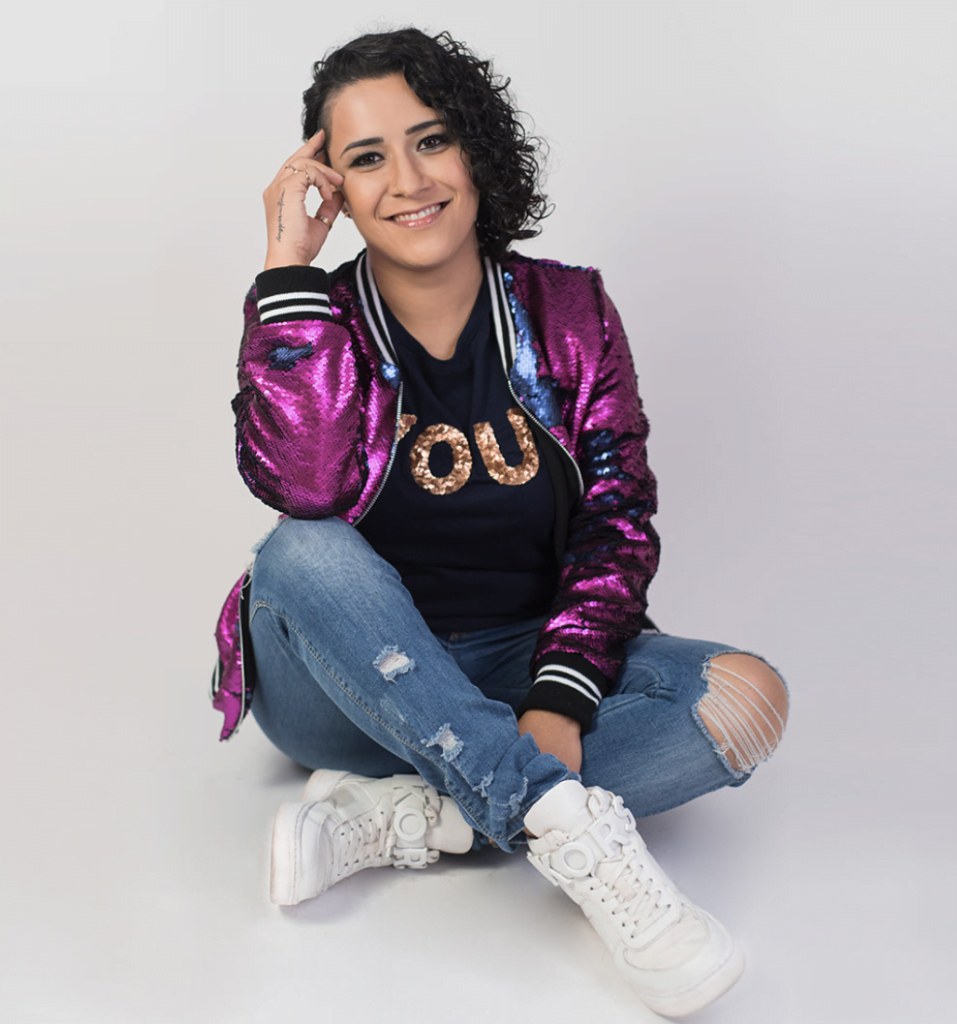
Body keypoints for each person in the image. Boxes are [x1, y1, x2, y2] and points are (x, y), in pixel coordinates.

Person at [210, 27, 789, 1018]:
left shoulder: (569, 308)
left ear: (475, 146)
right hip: (340, 687)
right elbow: (302, 486)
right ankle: (563, 827)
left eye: (431, 140)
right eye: (366, 158)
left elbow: (617, 515)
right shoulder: (309, 316)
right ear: (332, 187)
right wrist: (285, 267)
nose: (408, 181)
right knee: (301, 549)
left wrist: (560, 695)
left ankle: (407, 814)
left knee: (745, 698)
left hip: (517, 658)